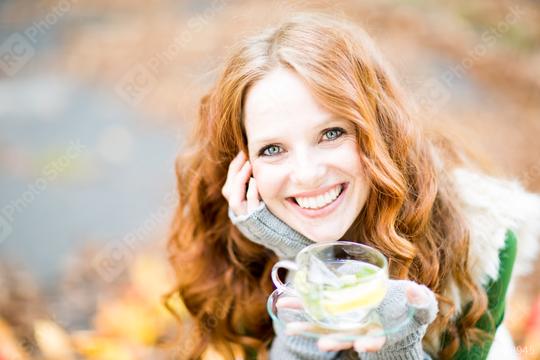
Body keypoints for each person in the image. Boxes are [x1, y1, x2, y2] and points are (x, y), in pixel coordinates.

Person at [166, 13, 540, 359]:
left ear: (379, 132)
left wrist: (397, 346)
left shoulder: (480, 243)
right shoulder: (239, 248)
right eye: (273, 149)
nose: (308, 174)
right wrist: (299, 257)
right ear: (243, 166)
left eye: (331, 133)